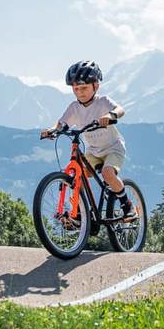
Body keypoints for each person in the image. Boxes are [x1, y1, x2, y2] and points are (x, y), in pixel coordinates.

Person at [40, 60, 135, 218]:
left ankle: (127, 205)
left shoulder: (102, 102)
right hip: (94, 151)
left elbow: (120, 109)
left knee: (107, 173)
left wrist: (110, 116)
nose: (80, 92)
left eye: (84, 88)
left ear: (96, 86)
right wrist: (52, 130)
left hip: (113, 148)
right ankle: (81, 213)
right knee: (77, 176)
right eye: (76, 89)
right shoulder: (74, 108)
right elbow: (62, 123)